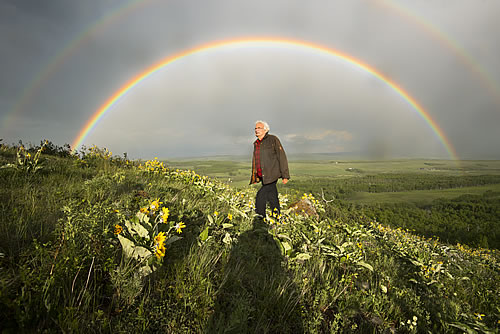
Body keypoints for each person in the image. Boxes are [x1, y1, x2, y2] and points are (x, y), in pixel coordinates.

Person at [250, 120, 290, 219]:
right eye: (255, 128)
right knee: (272, 197)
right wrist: (255, 176)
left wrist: (285, 175)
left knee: (260, 196)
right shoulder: (256, 143)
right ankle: (277, 218)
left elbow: (282, 156)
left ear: (265, 130)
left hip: (272, 174)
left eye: (259, 128)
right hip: (263, 176)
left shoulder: (273, 139)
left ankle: (260, 219)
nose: (256, 130)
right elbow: (256, 161)